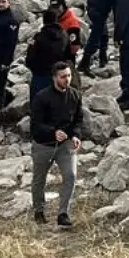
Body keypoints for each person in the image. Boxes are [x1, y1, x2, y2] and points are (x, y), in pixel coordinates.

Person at [30, 61, 83, 227]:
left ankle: (63, 213)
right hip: (43, 145)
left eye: (68, 76)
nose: (66, 79)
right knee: (39, 179)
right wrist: (53, 132)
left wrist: (75, 135)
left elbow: (78, 120)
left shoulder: (75, 95)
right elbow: (35, 125)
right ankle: (38, 210)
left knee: (71, 175)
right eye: (62, 77)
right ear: (54, 78)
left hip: (65, 144)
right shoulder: (41, 97)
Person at [80, 0, 121, 76]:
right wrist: (117, 19)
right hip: (101, 11)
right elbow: (116, 1)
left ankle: (103, 58)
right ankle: (85, 62)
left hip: (91, 8)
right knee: (95, 37)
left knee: (103, 33)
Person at [25, 7, 68, 99]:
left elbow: (30, 55)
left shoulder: (39, 37)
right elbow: (68, 54)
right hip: (58, 72)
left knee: (37, 100)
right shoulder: (64, 35)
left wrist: (31, 66)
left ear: (44, 21)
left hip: (40, 73)